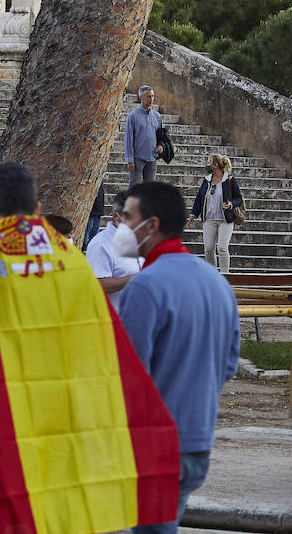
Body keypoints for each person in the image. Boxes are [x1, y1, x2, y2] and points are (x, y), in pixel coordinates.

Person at [0, 163, 183, 532]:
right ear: (36, 204)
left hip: (10, 408)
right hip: (63, 408)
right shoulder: (69, 256)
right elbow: (97, 327)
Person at [119, 181, 240, 534]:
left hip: (154, 446)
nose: (121, 227)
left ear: (151, 225)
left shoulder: (146, 286)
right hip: (197, 440)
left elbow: (128, 375)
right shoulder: (216, 282)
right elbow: (229, 364)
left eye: (127, 218)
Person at [85, 189, 141, 311]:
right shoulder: (101, 245)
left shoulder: (140, 240)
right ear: (116, 217)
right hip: (113, 321)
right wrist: (137, 278)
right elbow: (97, 284)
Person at [190, 153, 243, 273]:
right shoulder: (207, 180)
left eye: (209, 162)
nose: (206, 165)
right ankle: (212, 275)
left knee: (222, 248)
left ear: (215, 165)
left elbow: (238, 198)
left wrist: (230, 204)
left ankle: (225, 276)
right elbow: (200, 198)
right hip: (209, 219)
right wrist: (194, 214)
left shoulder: (229, 180)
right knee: (208, 249)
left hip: (225, 219)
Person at [126, 85, 165, 187]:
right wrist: (130, 160)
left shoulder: (157, 116)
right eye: (148, 96)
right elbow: (128, 139)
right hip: (137, 159)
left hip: (152, 158)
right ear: (141, 97)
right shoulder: (133, 116)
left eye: (152, 96)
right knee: (134, 189)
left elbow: (161, 136)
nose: (151, 99)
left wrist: (161, 146)